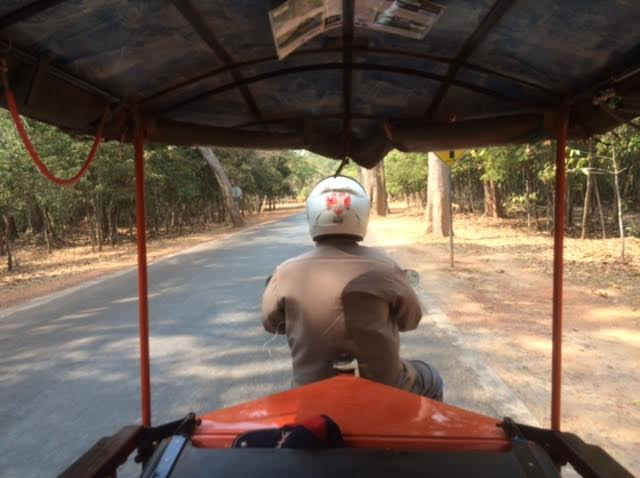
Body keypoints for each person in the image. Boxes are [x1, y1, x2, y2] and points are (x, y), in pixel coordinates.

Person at [261, 175, 443, 400]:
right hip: (385, 385)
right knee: (432, 377)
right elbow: (410, 321)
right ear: (362, 215)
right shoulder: (386, 267)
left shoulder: (285, 271)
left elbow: (271, 324)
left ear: (312, 216)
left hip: (310, 389)